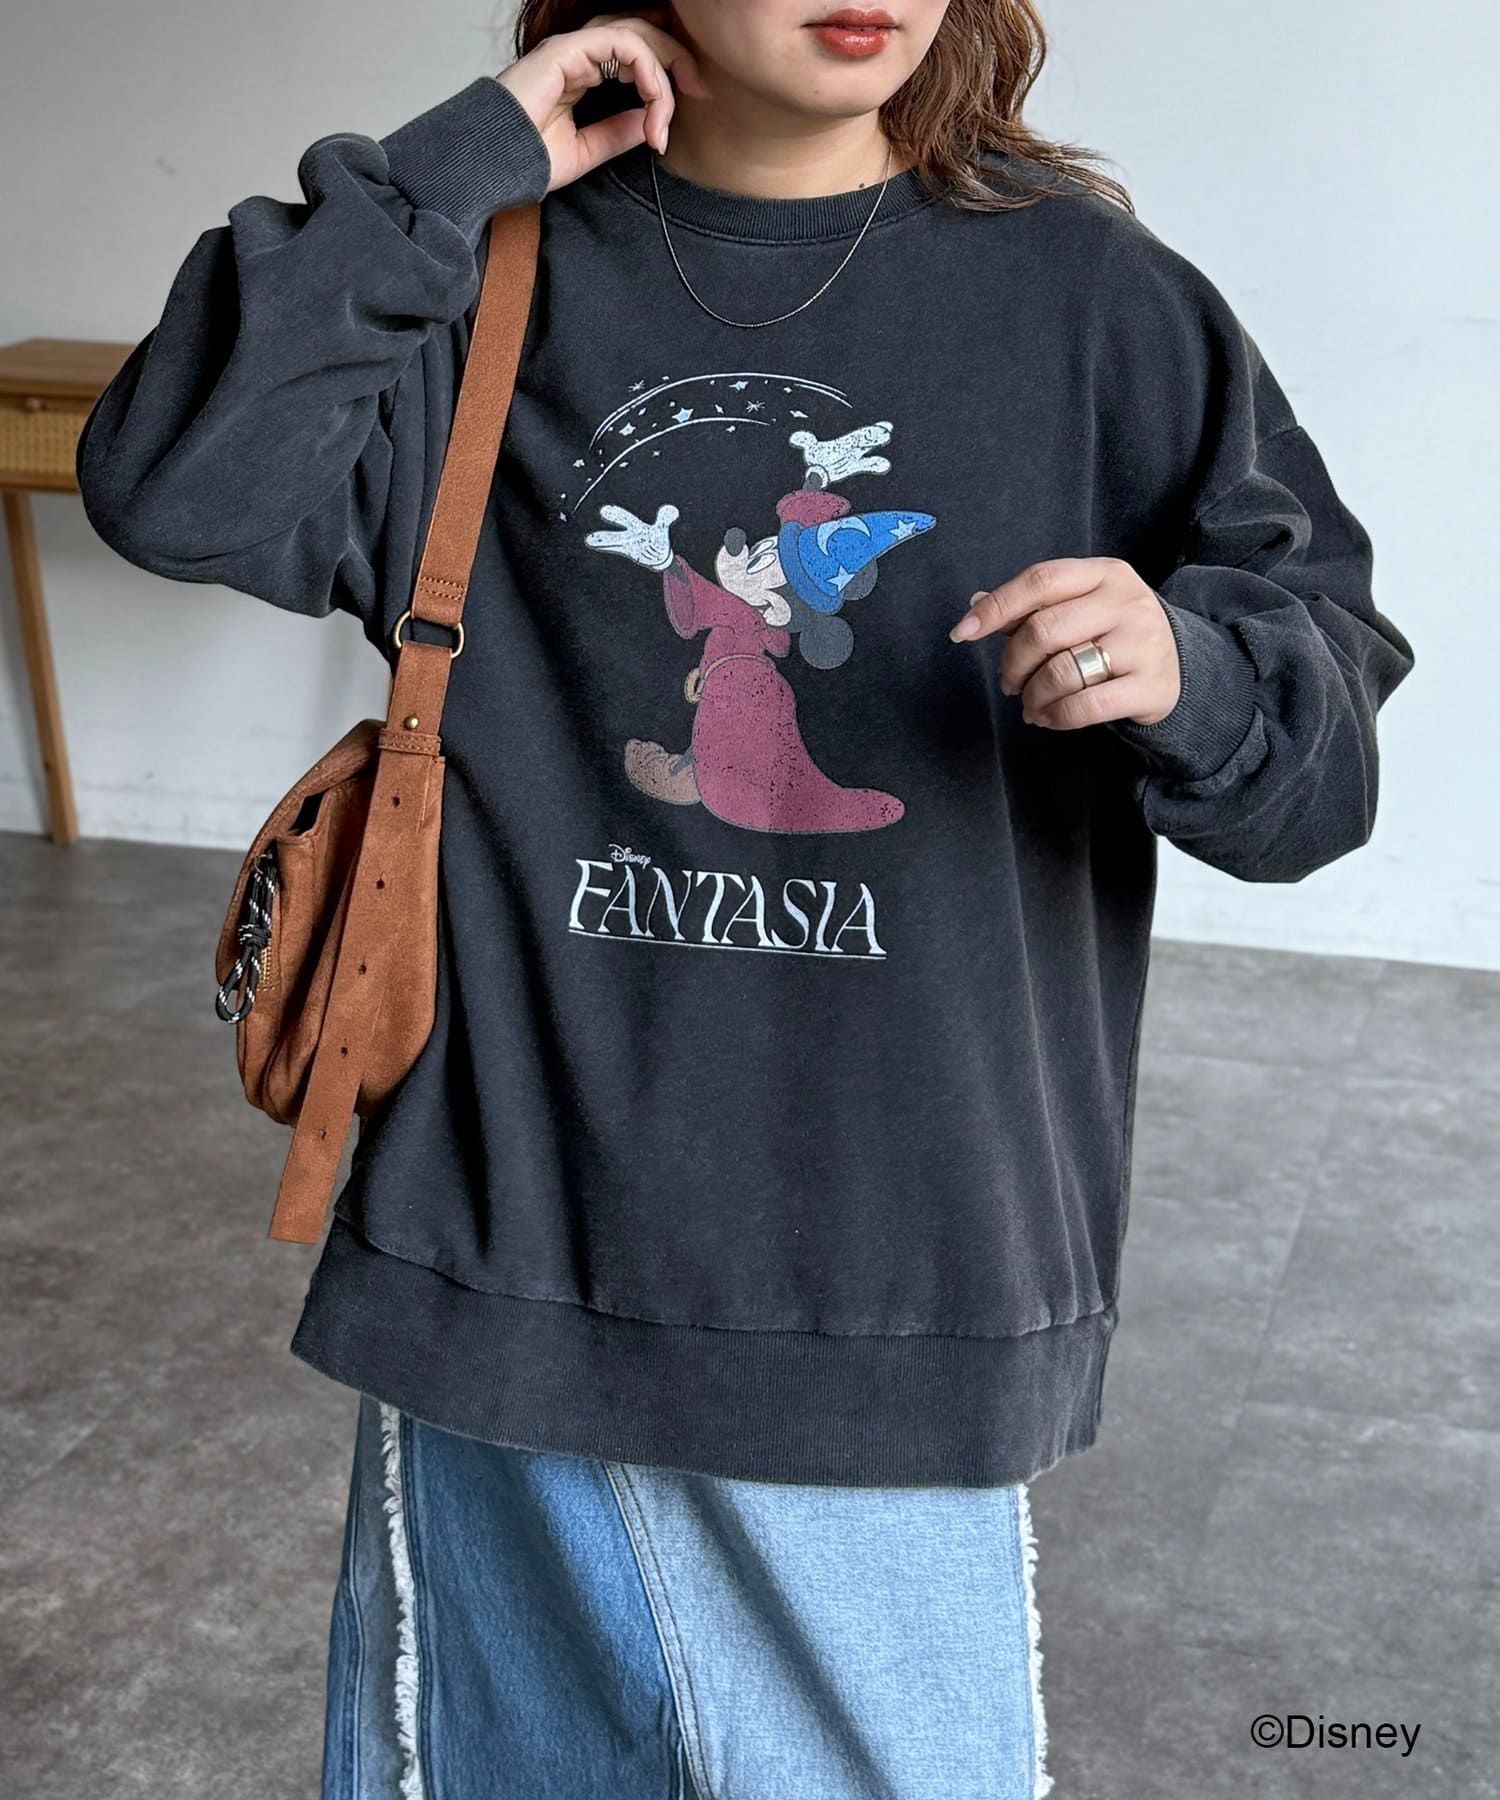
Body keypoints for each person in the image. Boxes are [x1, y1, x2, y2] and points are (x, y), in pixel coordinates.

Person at [74, 3, 1416, 1794]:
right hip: (512, 1250)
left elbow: (1316, 780)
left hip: (891, 1285)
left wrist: (1188, 669)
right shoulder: (479, 272)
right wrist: (457, 166)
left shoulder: (1099, 308)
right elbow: (174, 491)